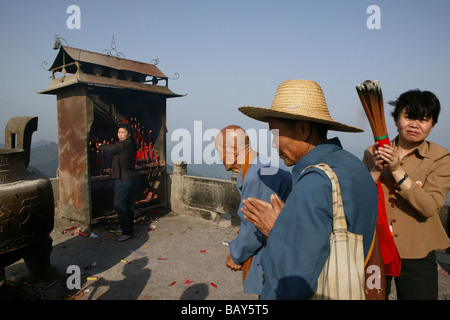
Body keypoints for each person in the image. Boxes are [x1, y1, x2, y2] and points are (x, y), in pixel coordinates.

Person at [238, 79, 378, 299]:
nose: (274, 144)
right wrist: (290, 225)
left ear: (303, 129)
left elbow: (292, 279)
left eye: (275, 134)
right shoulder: (354, 166)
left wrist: (278, 234)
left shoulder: (315, 181)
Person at [362, 89, 450, 299]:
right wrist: (374, 171)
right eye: (408, 117)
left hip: (417, 252)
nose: (414, 124)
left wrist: (396, 170)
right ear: (396, 120)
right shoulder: (372, 152)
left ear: (433, 125)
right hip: (377, 248)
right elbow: (358, 199)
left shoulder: (441, 158)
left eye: (423, 119)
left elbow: (429, 207)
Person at [214, 125, 292, 295]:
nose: (219, 157)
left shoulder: (257, 175)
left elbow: (254, 226)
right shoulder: (256, 166)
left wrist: (236, 254)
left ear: (234, 149)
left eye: (220, 151)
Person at [98, 123, 138, 242]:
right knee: (128, 204)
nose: (120, 135)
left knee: (118, 205)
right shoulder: (131, 143)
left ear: (129, 134)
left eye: (123, 133)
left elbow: (110, 148)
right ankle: (128, 227)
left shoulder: (124, 145)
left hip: (123, 179)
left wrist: (100, 146)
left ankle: (127, 232)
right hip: (129, 178)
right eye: (119, 132)